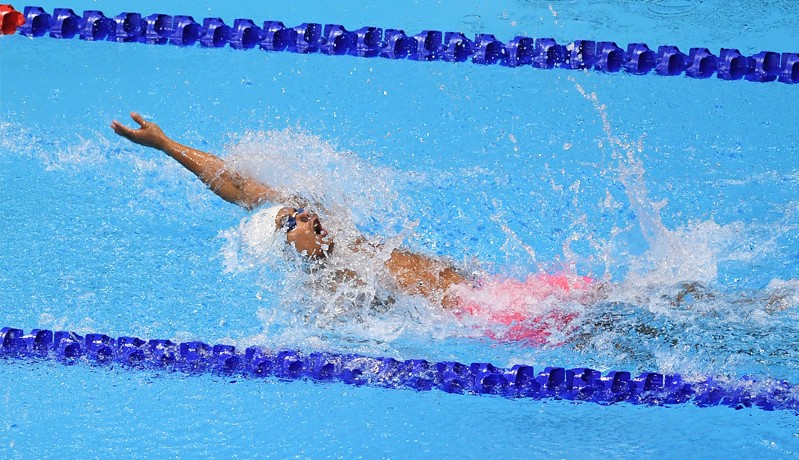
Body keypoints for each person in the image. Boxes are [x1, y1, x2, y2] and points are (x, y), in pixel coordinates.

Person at [111, 112, 468, 308]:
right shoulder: (331, 295)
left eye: (298, 210)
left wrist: (165, 143)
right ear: (285, 250)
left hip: (483, 288)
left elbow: (238, 186)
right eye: (294, 221)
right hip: (480, 315)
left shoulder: (338, 240)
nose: (309, 215)